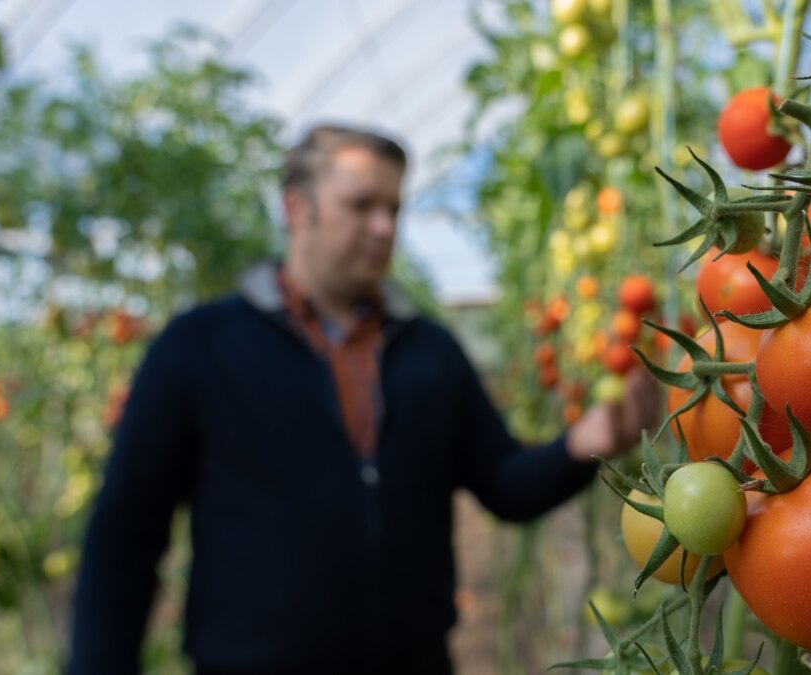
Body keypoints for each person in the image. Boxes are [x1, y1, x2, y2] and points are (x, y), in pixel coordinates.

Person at [66, 125, 661, 674]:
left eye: (394, 209)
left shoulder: (430, 350)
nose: (384, 227)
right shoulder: (201, 346)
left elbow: (503, 483)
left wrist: (592, 440)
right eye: (362, 205)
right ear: (297, 209)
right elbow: (126, 533)